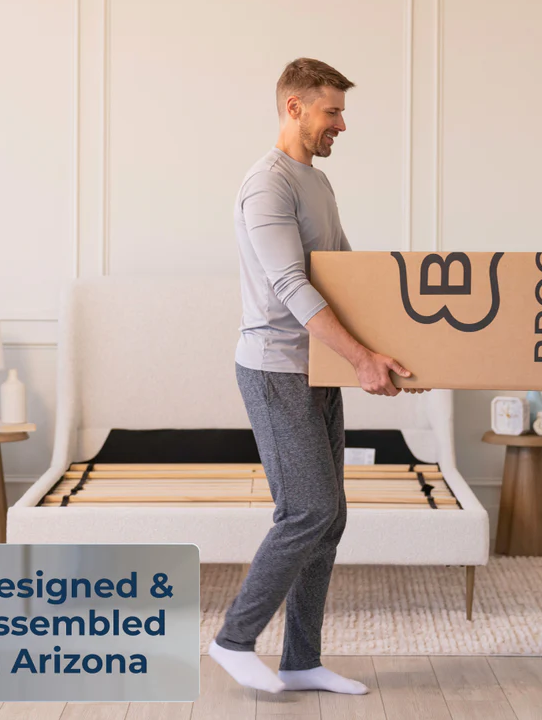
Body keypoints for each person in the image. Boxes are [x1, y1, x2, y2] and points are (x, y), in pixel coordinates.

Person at [208, 58, 424, 696]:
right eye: (333, 111)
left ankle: (302, 659)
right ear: (294, 107)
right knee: (308, 509)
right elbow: (290, 286)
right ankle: (232, 640)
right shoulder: (266, 185)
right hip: (276, 370)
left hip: (316, 368)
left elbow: (348, 277)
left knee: (329, 519)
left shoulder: (316, 183)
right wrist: (361, 358)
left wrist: (409, 355)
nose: (343, 125)